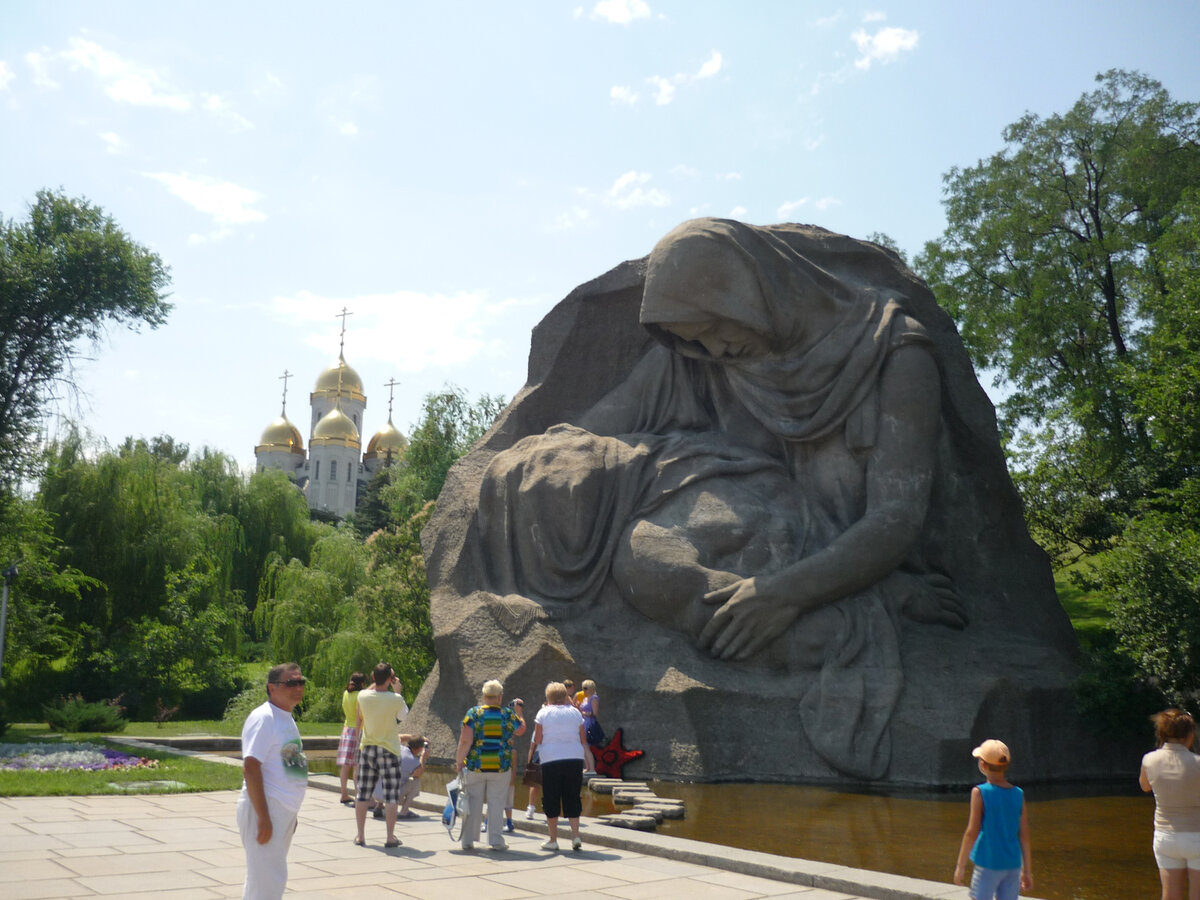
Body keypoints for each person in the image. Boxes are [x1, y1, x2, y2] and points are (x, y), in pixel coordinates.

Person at [476, 218, 967, 779]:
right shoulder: (696, 357)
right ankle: (847, 614)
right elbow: (590, 437)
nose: (709, 348)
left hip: (826, 547)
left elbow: (897, 520)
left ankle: (869, 608)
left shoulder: (894, 352)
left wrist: (779, 595)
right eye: (691, 339)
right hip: (723, 523)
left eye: (711, 327)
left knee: (652, 564)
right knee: (648, 561)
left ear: (745, 288)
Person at [237, 662, 309, 900]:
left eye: (301, 682)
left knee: (263, 880)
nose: (297, 687)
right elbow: (251, 765)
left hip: (282, 810)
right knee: (268, 882)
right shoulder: (265, 718)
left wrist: (292, 813)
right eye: (291, 683)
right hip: (266, 808)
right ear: (272, 687)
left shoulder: (284, 717)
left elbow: (289, 766)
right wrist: (264, 816)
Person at [953, 739, 1033, 899]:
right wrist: (1027, 871)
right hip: (1012, 864)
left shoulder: (980, 792)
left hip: (987, 862)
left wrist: (960, 866)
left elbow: (971, 832)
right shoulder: (1018, 794)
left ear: (983, 765)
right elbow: (1024, 834)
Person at [454, 679, 525, 851]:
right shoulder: (508, 714)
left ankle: (468, 840)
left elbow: (465, 740)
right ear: (500, 697)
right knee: (497, 802)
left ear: (484, 696)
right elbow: (520, 730)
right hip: (500, 766)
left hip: (476, 765)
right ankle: (496, 840)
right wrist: (519, 713)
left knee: (473, 802)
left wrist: (459, 761)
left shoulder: (473, 713)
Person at [1139, 709, 1200, 900]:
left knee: (1170, 895)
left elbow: (1145, 786)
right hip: (1196, 836)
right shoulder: (1198, 763)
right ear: (1190, 734)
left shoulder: (1149, 759)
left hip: (1165, 837)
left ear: (1162, 734)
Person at [531, 681, 593, 852]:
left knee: (551, 797)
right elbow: (582, 739)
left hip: (551, 759)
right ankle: (575, 836)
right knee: (572, 795)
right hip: (574, 758)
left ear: (548, 697)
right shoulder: (575, 713)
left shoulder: (543, 713)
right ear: (565, 696)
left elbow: (537, 739)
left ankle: (553, 839)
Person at [353, 662, 409, 848]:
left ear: (373, 678)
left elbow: (371, 690)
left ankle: (360, 835)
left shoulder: (362, 696)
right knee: (391, 796)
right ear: (390, 679)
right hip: (390, 749)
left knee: (362, 794)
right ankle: (390, 837)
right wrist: (397, 690)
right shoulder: (396, 699)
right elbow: (403, 717)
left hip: (368, 747)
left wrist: (379, 680)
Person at [337, 671, 366, 805]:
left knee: (345, 765)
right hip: (357, 730)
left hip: (346, 729)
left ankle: (344, 793)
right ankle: (357, 794)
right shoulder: (360, 695)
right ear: (362, 683)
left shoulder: (345, 693)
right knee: (356, 765)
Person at [396, 734, 430, 818]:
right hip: (393, 795)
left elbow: (399, 736)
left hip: (378, 791)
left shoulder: (398, 747)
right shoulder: (414, 761)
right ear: (419, 748)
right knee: (416, 783)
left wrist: (413, 737)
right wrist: (423, 757)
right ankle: (404, 812)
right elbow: (418, 775)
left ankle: (379, 806)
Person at [579, 680, 603, 747]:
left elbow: (594, 713)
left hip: (589, 723)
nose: (583, 690)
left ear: (591, 688)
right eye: (583, 688)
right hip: (582, 722)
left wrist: (583, 713)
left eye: (585, 688)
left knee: (587, 743)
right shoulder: (585, 698)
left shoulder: (594, 698)